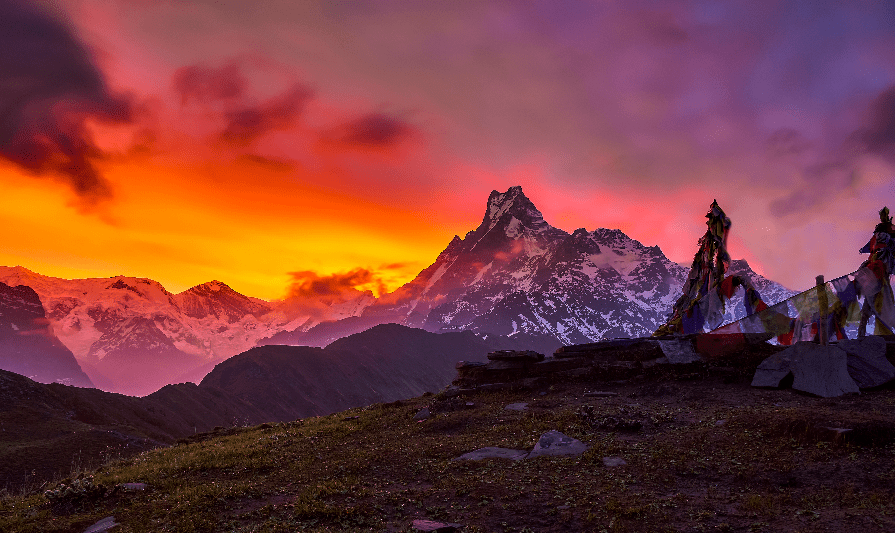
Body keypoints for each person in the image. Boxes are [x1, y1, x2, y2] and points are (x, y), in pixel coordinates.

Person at [857, 207, 895, 338]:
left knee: (879, 302)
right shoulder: (878, 233)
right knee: (869, 306)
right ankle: (861, 334)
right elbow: (870, 246)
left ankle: (862, 333)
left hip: (880, 268)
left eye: (884, 215)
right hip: (873, 268)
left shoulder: (891, 232)